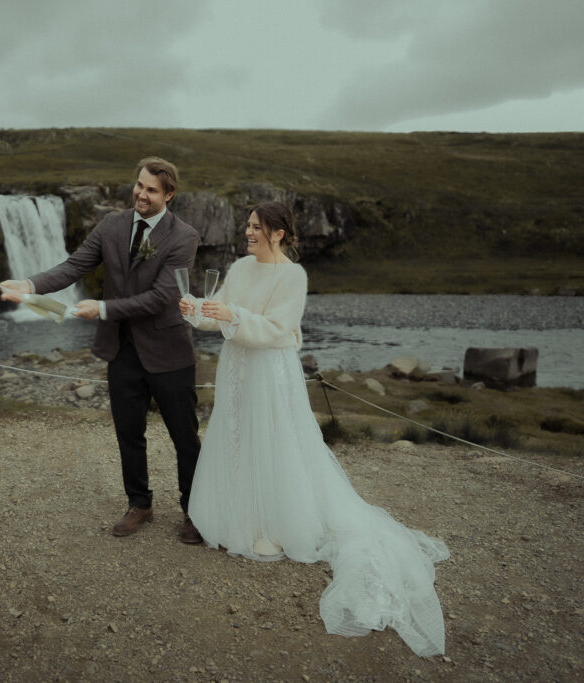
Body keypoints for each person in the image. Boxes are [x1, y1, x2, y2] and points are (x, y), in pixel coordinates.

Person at [180, 201, 450, 657]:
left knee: (274, 441)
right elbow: (216, 315)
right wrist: (195, 312)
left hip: (271, 369)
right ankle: (238, 517)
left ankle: (277, 521)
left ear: (279, 233)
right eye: (246, 225)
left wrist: (232, 318)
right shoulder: (240, 268)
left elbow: (278, 329)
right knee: (237, 437)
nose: (247, 232)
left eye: (255, 227)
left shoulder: (293, 277)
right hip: (237, 369)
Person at [0, 157, 203, 544]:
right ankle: (139, 504)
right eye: (139, 185)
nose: (142, 194)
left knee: (185, 437)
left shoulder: (184, 237)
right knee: (129, 432)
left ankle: (195, 511)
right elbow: (74, 266)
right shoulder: (112, 224)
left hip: (168, 350)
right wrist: (29, 285)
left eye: (152, 190)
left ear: (170, 195)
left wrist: (104, 309)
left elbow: (162, 297)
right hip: (120, 350)